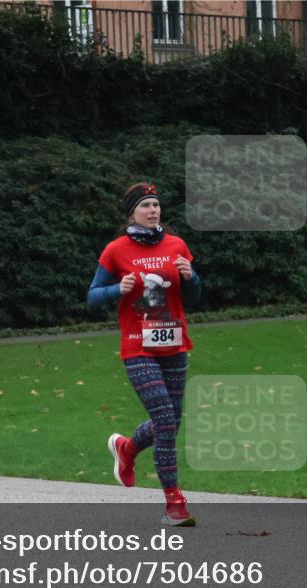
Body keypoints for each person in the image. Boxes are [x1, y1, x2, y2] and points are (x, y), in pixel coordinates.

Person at [87, 183, 202, 527]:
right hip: (138, 346)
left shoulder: (176, 244)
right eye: (146, 206)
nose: (154, 210)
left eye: (156, 205)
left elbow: (195, 295)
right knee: (165, 418)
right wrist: (114, 289)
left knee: (171, 423)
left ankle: (127, 449)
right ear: (132, 213)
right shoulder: (115, 250)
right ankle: (174, 504)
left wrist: (190, 275)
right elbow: (93, 296)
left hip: (174, 343)